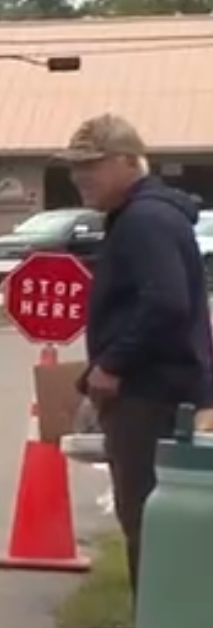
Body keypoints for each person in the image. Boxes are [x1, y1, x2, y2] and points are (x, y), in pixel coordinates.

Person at [64, 114, 213, 595]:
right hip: (171, 391)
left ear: (129, 161)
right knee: (168, 523)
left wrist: (111, 365)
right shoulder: (148, 217)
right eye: (76, 168)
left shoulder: (144, 221)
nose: (81, 177)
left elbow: (166, 302)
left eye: (94, 165)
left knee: (149, 521)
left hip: (150, 396)